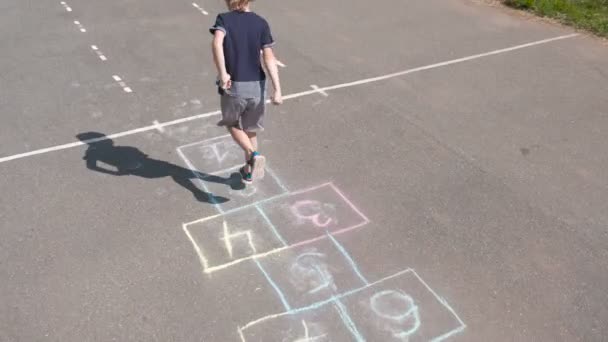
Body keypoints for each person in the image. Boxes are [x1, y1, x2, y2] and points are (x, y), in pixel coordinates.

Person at [210, 0, 282, 185]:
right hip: (258, 86)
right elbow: (269, 57)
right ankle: (249, 171)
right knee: (251, 130)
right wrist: (277, 89)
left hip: (236, 85)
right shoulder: (260, 22)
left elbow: (217, 43)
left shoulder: (224, 19)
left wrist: (223, 73)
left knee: (232, 123)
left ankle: (252, 155)